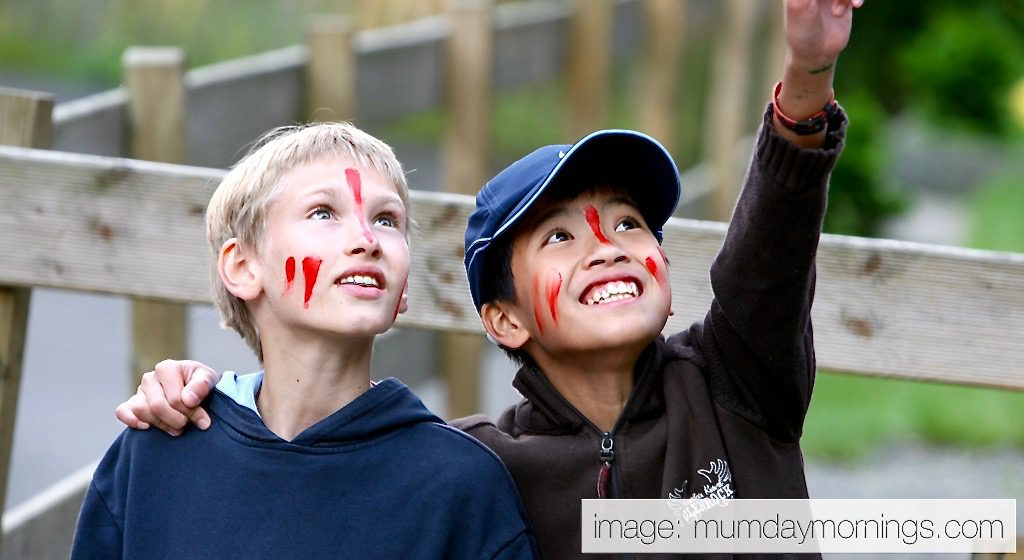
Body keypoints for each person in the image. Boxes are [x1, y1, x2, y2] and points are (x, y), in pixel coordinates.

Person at [115, 0, 861, 557]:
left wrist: (807, 77)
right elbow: (327, 462)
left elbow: (769, 259)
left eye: (630, 223)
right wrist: (205, 395)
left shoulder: (735, 385)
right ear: (503, 319)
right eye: (561, 236)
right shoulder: (476, 469)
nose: (608, 247)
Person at [72, 122, 538, 559]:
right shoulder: (156, 455)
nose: (366, 239)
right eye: (323, 212)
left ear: (402, 290)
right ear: (243, 267)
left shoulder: (459, 483)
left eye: (386, 220)